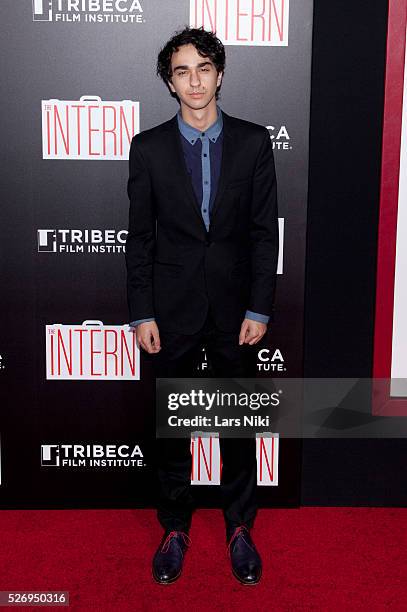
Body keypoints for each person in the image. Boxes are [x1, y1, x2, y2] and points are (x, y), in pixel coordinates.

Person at [125, 26, 278, 585]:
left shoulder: (254, 143)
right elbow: (139, 239)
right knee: (172, 428)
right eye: (182, 70)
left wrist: (260, 309)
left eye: (204, 68)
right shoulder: (147, 149)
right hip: (171, 313)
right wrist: (142, 312)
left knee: (236, 425)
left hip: (237, 314)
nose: (194, 80)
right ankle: (175, 527)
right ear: (170, 81)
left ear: (220, 73)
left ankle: (240, 527)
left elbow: (265, 235)